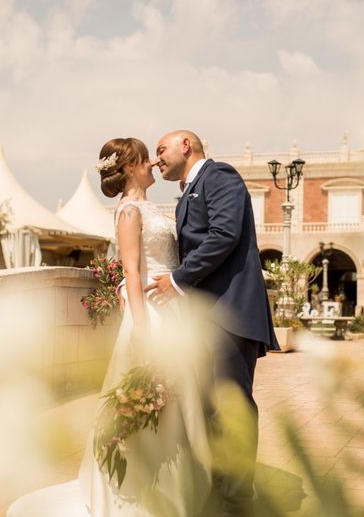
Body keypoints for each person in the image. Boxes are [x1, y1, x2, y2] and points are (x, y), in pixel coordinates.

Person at [7, 138, 211, 517]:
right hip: (150, 310)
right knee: (152, 397)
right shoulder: (129, 212)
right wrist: (142, 326)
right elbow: (132, 270)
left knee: (178, 398)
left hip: (172, 305)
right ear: (130, 167)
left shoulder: (149, 208)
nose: (152, 162)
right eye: (144, 158)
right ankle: (143, 492)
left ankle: (179, 487)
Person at [147, 130, 279, 516]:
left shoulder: (219, 176)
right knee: (209, 409)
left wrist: (175, 279)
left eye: (161, 150)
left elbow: (224, 235)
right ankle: (220, 492)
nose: (156, 160)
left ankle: (238, 501)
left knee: (231, 408)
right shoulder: (188, 192)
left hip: (229, 314)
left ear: (186, 145)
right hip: (206, 317)